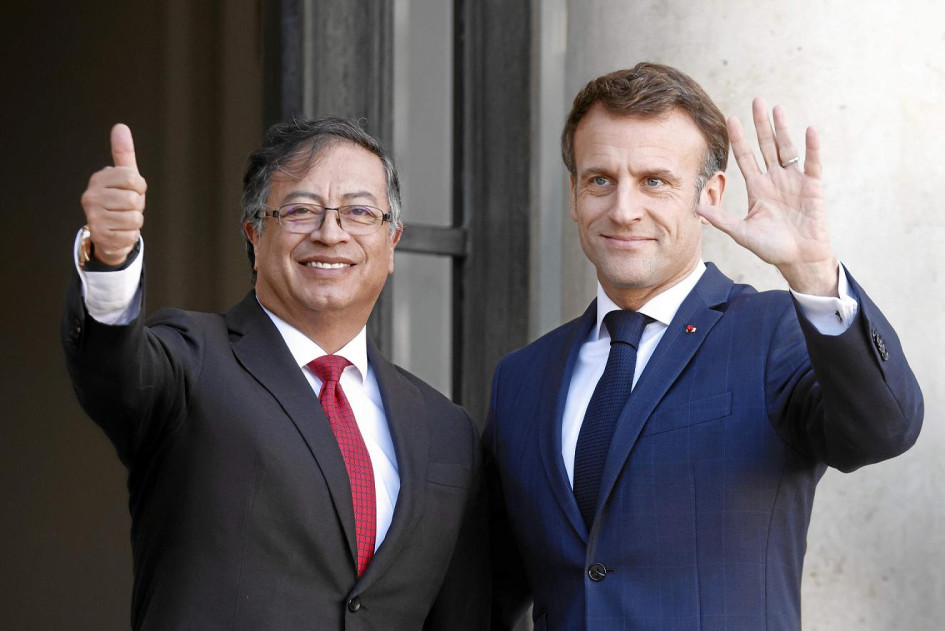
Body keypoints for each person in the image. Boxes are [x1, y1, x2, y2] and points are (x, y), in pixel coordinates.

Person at [486, 62, 923, 630]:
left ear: (710, 195)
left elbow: (884, 429)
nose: (623, 209)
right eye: (600, 180)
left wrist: (814, 273)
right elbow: (489, 586)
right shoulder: (522, 377)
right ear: (574, 194)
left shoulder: (773, 333)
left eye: (654, 181)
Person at [62, 117, 488, 630]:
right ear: (254, 233)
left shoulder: (447, 430)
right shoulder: (192, 361)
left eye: (358, 212)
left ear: (391, 240)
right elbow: (115, 371)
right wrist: (111, 261)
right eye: (301, 210)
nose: (330, 234)